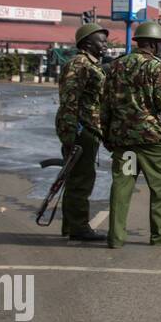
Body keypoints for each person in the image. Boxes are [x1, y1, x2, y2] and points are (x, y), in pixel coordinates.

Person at [102, 21, 161, 248]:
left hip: (123, 138)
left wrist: (107, 136)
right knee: (159, 188)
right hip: (152, 141)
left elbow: (105, 105)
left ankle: (115, 238)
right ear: (155, 45)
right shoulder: (155, 67)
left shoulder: (116, 66)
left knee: (121, 186)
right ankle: (160, 235)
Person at [55, 22, 110, 241]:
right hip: (81, 128)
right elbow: (69, 100)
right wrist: (71, 133)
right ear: (87, 43)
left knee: (76, 177)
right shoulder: (79, 64)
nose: (105, 44)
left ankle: (71, 225)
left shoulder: (91, 64)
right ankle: (79, 228)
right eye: (101, 41)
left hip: (87, 127)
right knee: (81, 179)